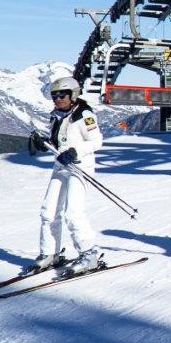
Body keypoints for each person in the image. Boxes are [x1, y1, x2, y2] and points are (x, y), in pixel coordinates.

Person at [24, 76, 105, 276]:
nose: (58, 98)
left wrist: (75, 151)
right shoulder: (57, 115)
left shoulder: (84, 115)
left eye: (62, 95)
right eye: (55, 95)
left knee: (73, 213)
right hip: (61, 166)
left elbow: (97, 141)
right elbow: (58, 141)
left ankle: (89, 254)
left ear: (73, 95)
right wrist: (43, 143)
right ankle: (50, 253)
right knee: (48, 211)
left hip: (80, 167)